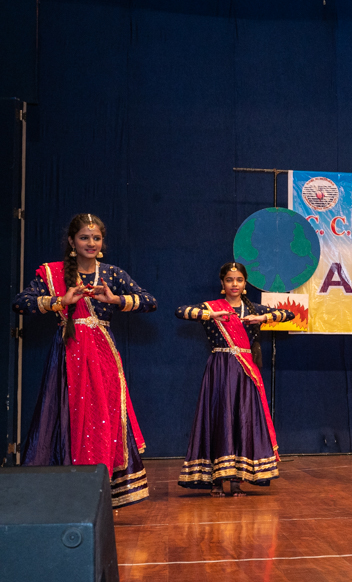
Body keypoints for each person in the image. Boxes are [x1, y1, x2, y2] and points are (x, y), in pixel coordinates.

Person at [13, 213, 156, 508]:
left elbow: (149, 301)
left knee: (104, 419)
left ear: (102, 242)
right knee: (67, 416)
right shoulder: (52, 274)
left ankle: (103, 494)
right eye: (84, 237)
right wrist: (60, 301)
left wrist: (115, 300)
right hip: (68, 356)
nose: (91, 243)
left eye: (96, 238)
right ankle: (69, 494)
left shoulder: (112, 274)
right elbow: (20, 302)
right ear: (71, 241)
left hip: (103, 357)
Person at [176, 263, 293, 497]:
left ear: (245, 283)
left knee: (242, 420)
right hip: (220, 369)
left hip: (245, 373)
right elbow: (181, 311)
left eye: (239, 280)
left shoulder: (252, 309)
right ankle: (216, 481)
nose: (235, 284)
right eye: (229, 280)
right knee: (219, 419)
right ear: (222, 284)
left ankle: (237, 481)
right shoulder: (212, 307)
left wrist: (262, 317)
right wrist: (212, 315)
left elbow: (289, 314)